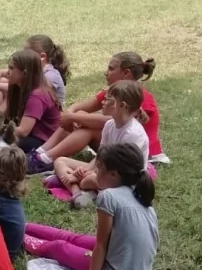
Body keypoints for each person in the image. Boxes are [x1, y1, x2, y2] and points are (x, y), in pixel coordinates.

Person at [24, 143, 159, 270]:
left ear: (114, 174)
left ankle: (15, 235)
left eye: (99, 168)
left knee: (59, 246)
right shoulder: (138, 193)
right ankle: (23, 226)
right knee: (73, 238)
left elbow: (101, 245)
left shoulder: (108, 197)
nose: (94, 172)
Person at [27, 52, 164, 174]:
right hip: (116, 145)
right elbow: (79, 106)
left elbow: (111, 120)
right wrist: (71, 115)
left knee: (88, 128)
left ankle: (46, 158)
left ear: (126, 73)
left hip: (138, 155)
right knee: (81, 115)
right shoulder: (114, 93)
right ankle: (42, 152)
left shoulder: (139, 96)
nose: (106, 72)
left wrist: (74, 117)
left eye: (111, 68)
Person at [48, 80, 150, 208]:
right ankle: (77, 192)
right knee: (60, 161)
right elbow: (101, 156)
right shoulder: (109, 125)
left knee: (88, 180)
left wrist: (84, 175)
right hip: (105, 171)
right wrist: (86, 170)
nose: (102, 102)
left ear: (122, 106)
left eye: (107, 99)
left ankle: (73, 183)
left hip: (124, 179)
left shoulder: (133, 133)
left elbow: (120, 170)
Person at [0, 35, 70, 110]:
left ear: (42, 57)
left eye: (26, 53)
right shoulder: (29, 69)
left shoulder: (51, 75)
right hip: (32, 106)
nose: (23, 55)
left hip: (44, 115)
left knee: (8, 86)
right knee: (4, 80)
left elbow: (30, 92)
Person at [4, 48, 62, 155]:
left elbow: (23, 131)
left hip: (45, 142)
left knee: (4, 145)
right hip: (34, 137)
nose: (7, 72)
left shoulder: (37, 96)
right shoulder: (21, 88)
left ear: (25, 73)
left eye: (11, 68)